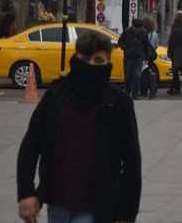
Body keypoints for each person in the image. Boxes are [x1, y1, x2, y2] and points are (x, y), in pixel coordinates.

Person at [16, 30, 141, 223]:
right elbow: (31, 145)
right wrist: (26, 192)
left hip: (97, 207)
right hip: (57, 203)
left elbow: (132, 161)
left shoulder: (117, 102)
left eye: (98, 60)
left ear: (107, 63)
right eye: (85, 58)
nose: (90, 65)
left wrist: (126, 214)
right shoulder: (57, 95)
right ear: (76, 58)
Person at [118, 18, 151, 99]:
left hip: (139, 57)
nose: (138, 30)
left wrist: (147, 57)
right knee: (128, 76)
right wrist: (125, 48)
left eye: (139, 28)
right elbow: (120, 42)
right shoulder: (126, 31)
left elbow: (146, 45)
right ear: (133, 26)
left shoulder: (144, 32)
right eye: (136, 28)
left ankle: (135, 94)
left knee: (137, 75)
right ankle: (127, 92)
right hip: (128, 57)